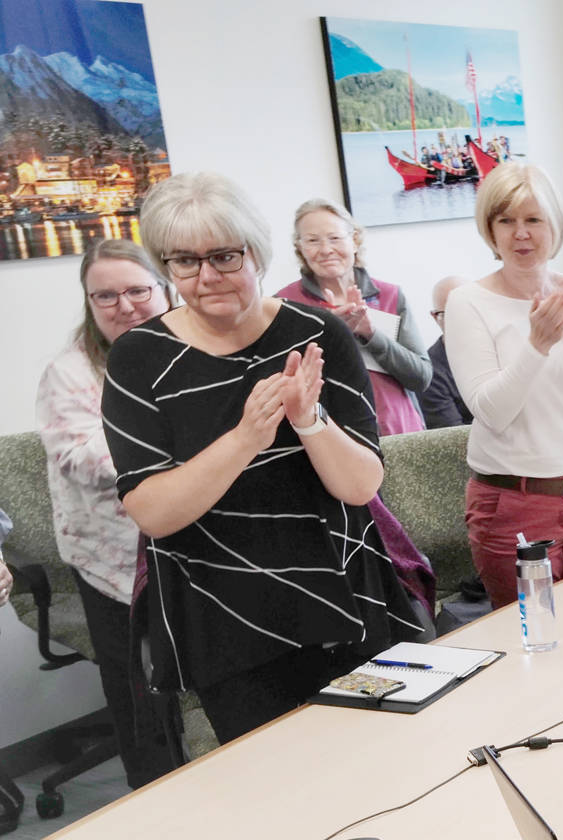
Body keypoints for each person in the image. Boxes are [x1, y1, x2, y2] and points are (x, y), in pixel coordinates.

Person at [100, 172, 426, 742]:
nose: (206, 277)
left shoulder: (316, 331)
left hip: (345, 589)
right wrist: (247, 436)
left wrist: (308, 420)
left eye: (225, 257)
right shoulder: (138, 359)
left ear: (257, 253)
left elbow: (360, 484)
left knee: (392, 760)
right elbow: (153, 511)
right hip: (224, 613)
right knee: (277, 791)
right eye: (183, 262)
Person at [442, 162, 563, 608]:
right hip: (514, 505)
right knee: (532, 643)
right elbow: (491, 411)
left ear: (554, 226)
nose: (521, 234)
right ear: (489, 230)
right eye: (506, 221)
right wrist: (537, 345)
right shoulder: (467, 302)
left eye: (533, 220)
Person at [35, 239, 185, 787]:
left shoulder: (193, 341)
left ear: (163, 288)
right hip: (114, 556)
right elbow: (77, 455)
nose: (124, 305)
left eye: (137, 290)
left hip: (194, 538)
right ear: (88, 303)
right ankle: (156, 798)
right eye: (106, 296)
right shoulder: (71, 370)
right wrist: (178, 444)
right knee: (139, 693)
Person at [274, 198, 432, 437]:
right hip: (331, 441)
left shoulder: (390, 295)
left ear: (355, 240)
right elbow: (279, 387)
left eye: (335, 238)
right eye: (312, 240)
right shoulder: (284, 304)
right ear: (300, 248)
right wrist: (330, 334)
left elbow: (421, 377)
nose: (326, 250)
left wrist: (371, 333)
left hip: (400, 436)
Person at [420, 275, 473, 429]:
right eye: (449, 313)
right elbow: (453, 440)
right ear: (435, 317)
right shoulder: (431, 374)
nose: (461, 319)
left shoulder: (503, 348)